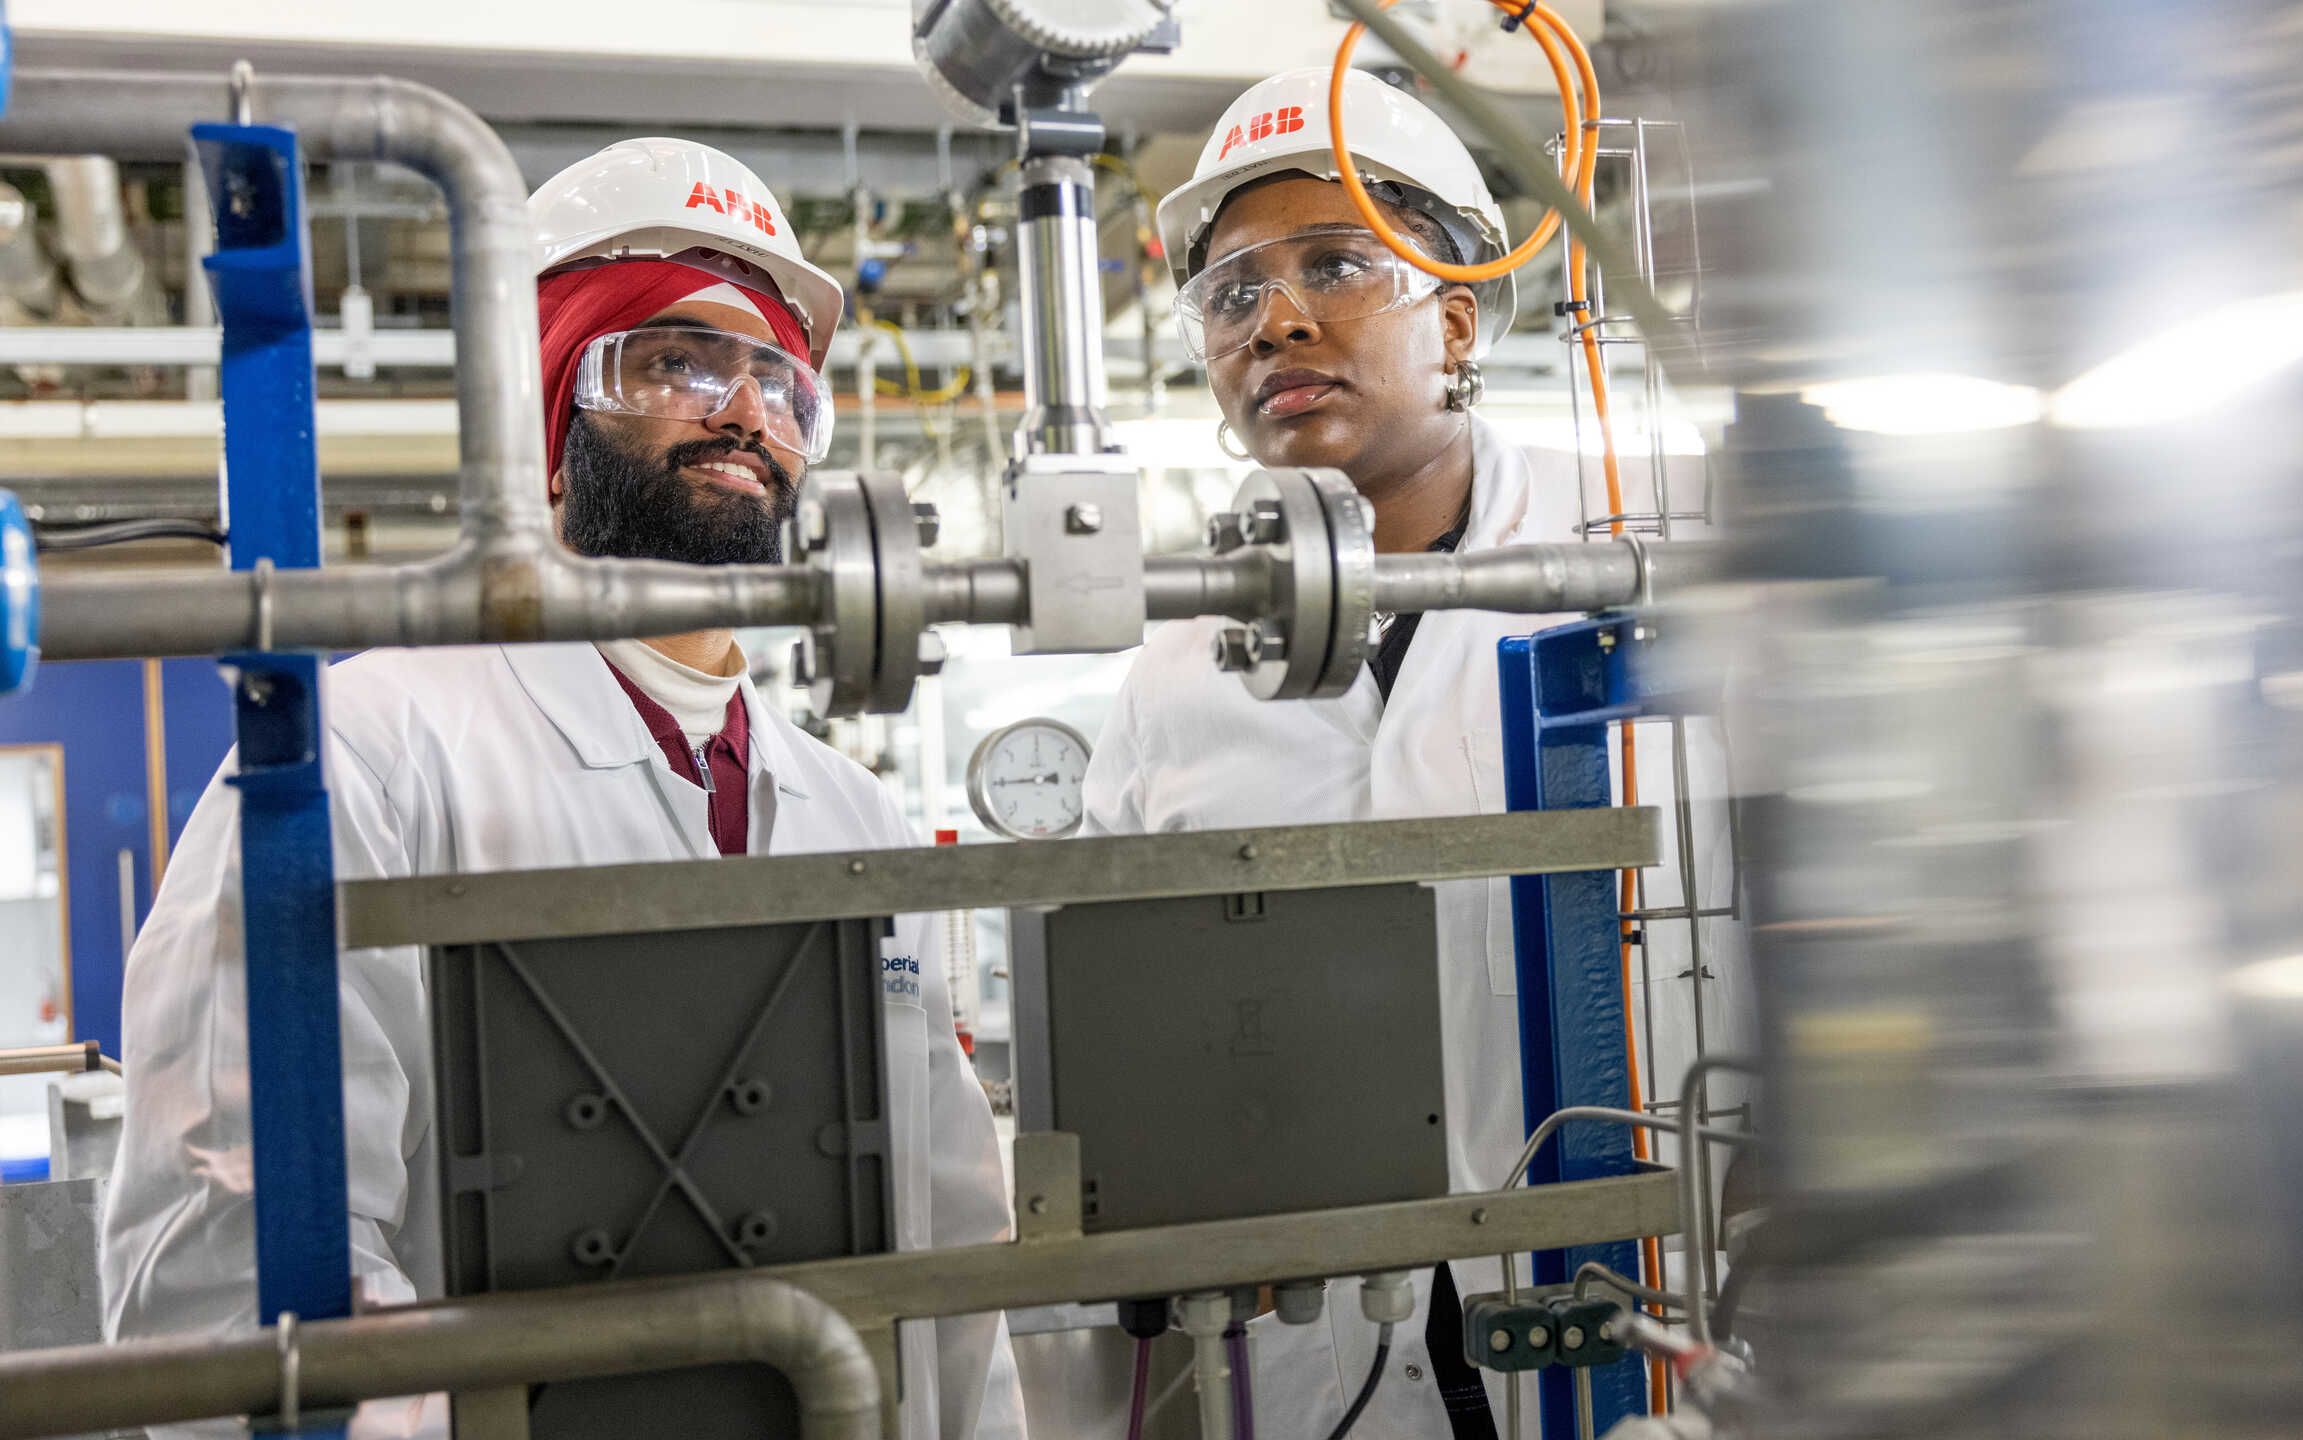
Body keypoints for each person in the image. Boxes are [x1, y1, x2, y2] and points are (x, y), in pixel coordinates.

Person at [100, 138, 1026, 1440]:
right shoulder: (367, 755)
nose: (743, 411)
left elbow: (949, 1247)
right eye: (675, 362)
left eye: (777, 380)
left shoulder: (852, 811)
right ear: (547, 426)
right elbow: (225, 1260)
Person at [1068, 71, 1752, 1438]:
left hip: (1665, 1306)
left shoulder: (1645, 553)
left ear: (1454, 319)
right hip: (1318, 1351)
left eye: (1336, 265)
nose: (1276, 321)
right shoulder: (1173, 673)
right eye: (1231, 294)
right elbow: (1119, 1021)